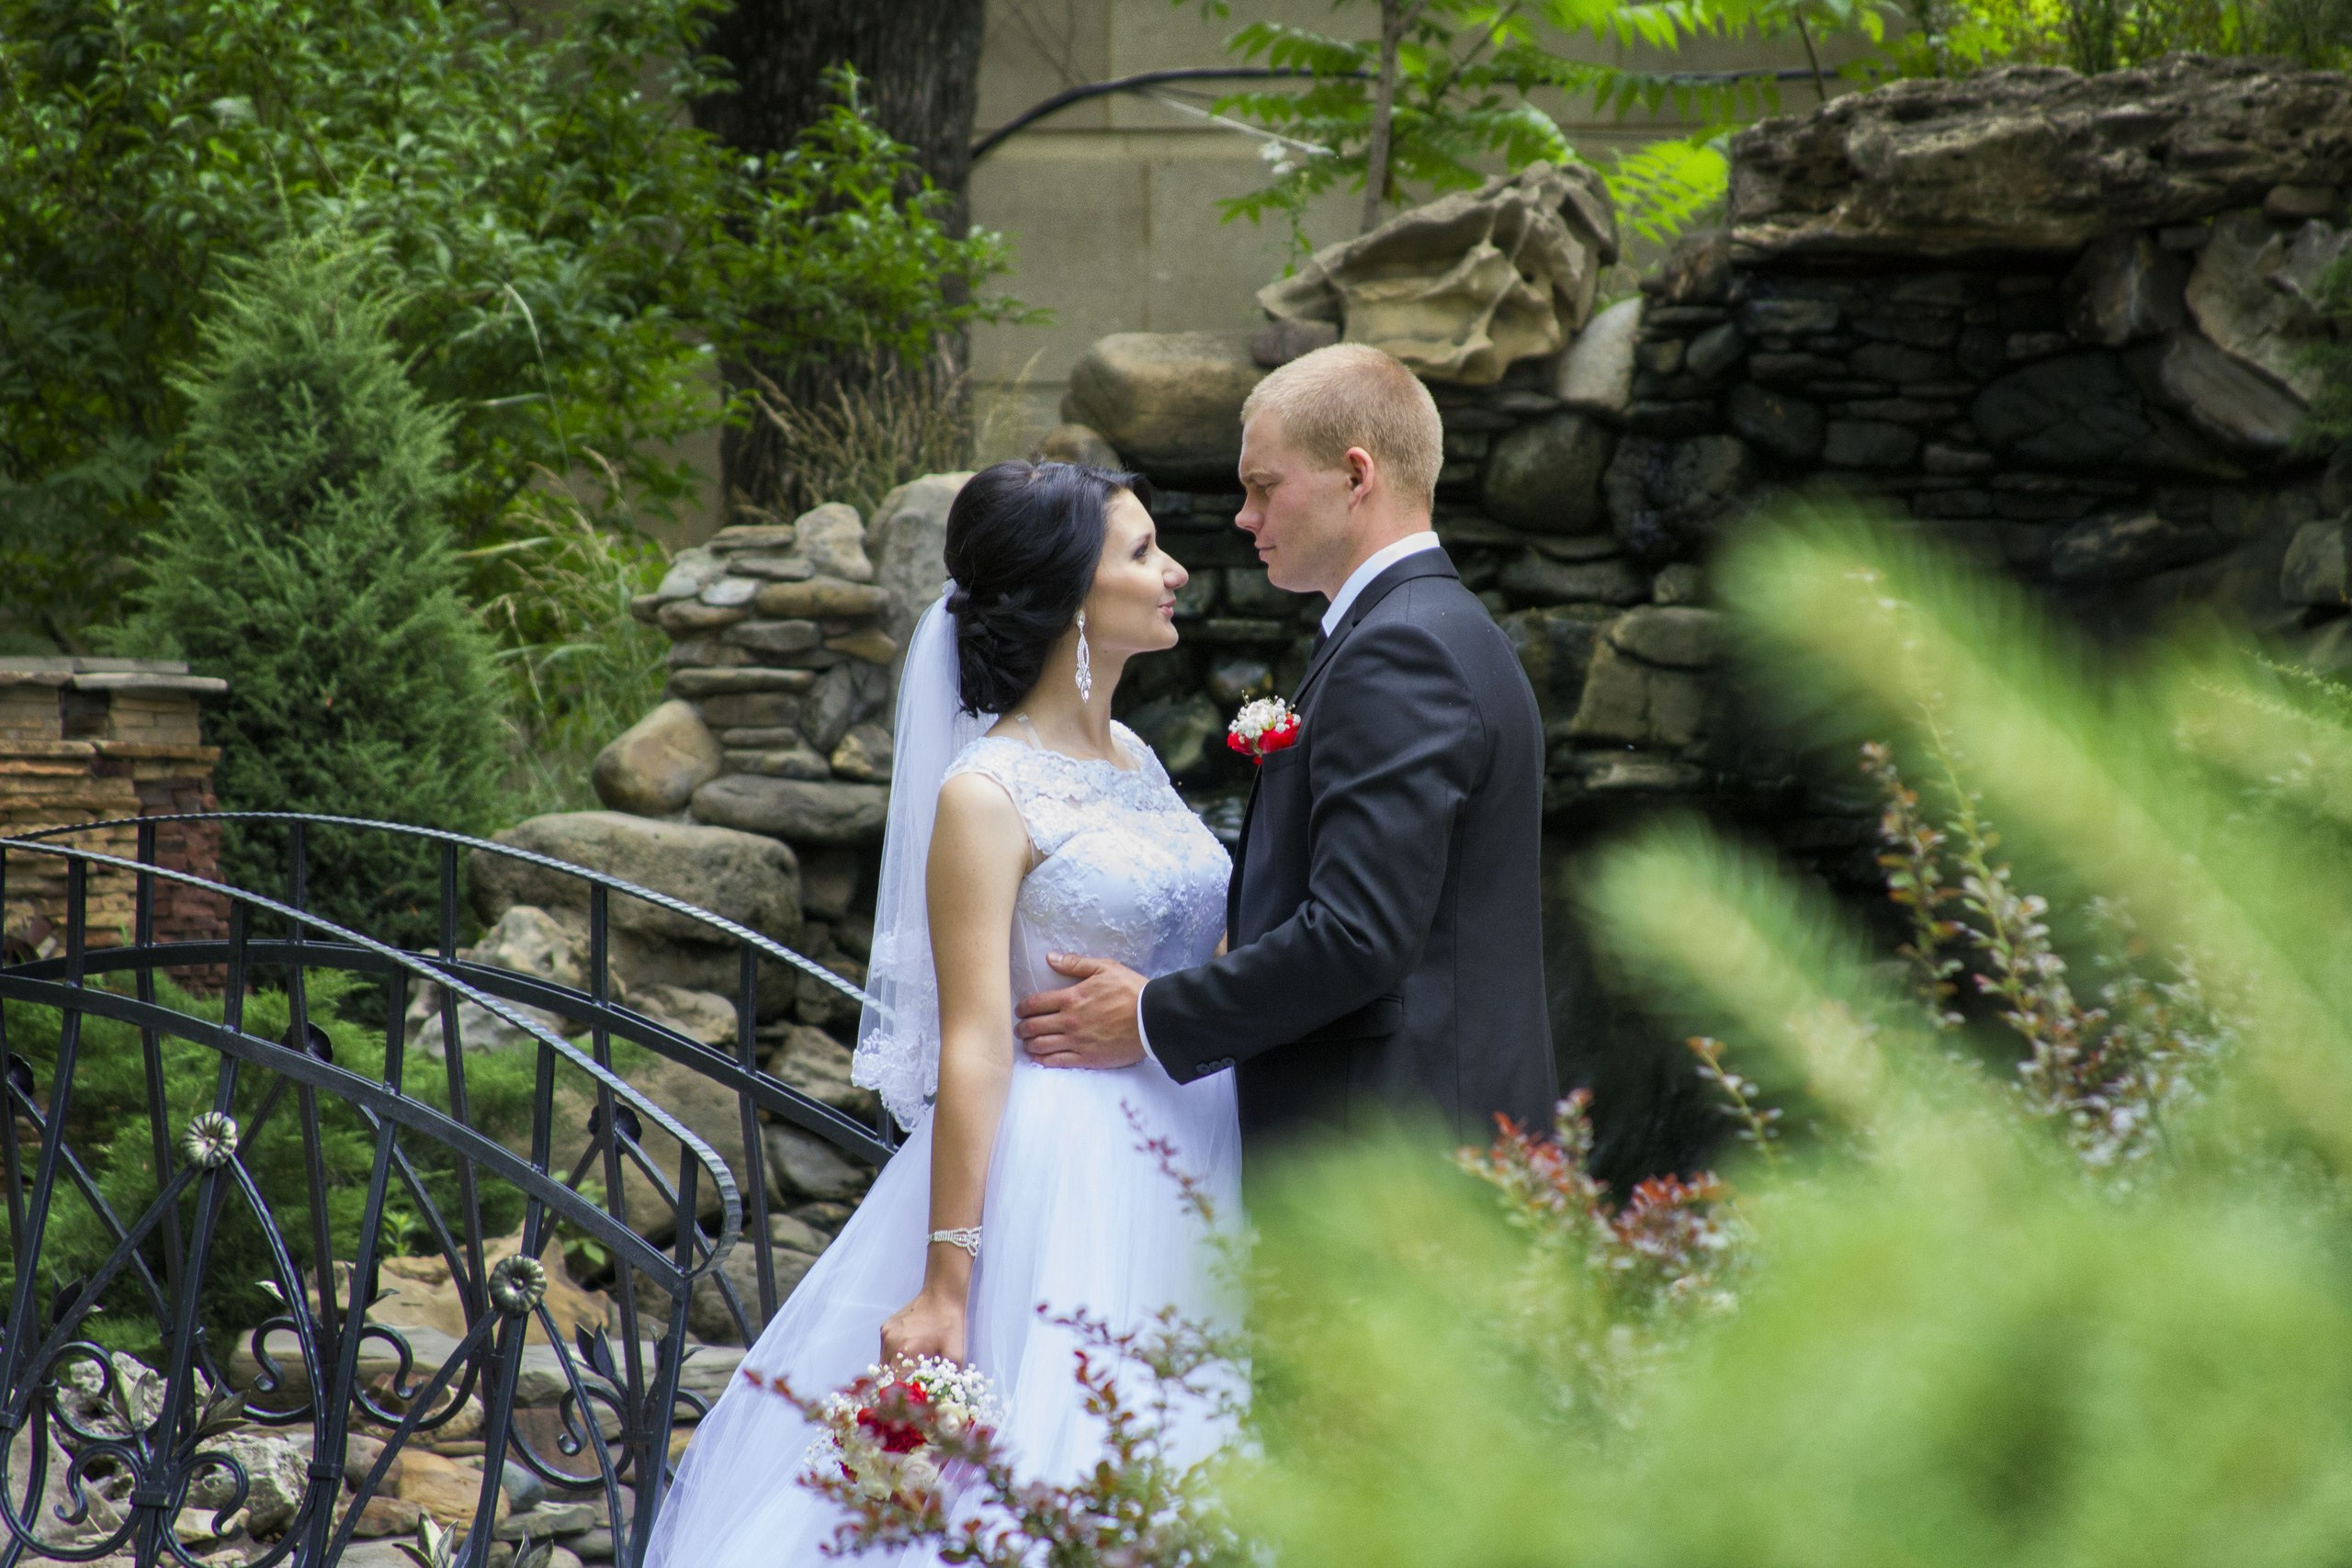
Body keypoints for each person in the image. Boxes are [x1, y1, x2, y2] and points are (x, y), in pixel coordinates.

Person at [645, 462, 1240, 1566]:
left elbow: (1199, 952)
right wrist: (945, 1282)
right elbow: (975, 1040)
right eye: (1143, 551)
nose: (1175, 572)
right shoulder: (984, 794)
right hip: (1068, 1174)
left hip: (1199, 1138)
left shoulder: (1140, 760)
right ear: (1072, 596)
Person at [1012, 343, 1557, 1152]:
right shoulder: (1439, 628)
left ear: (1356, 475)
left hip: (1391, 1158)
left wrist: (1152, 1015)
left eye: (1264, 488)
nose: (1242, 517)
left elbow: (1357, 934)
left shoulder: (1401, 651)